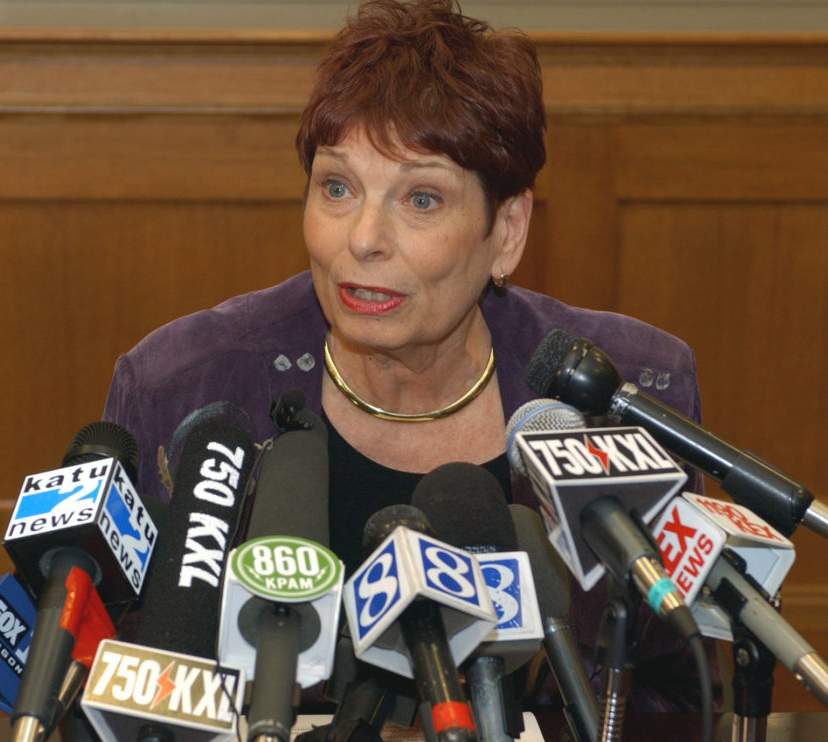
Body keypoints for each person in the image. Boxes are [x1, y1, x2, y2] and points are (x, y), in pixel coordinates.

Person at [103, 0, 719, 716]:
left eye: (421, 199)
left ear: (508, 231)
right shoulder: (185, 387)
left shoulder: (625, 392)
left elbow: (675, 698)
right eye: (338, 187)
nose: (363, 239)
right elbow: (118, 682)